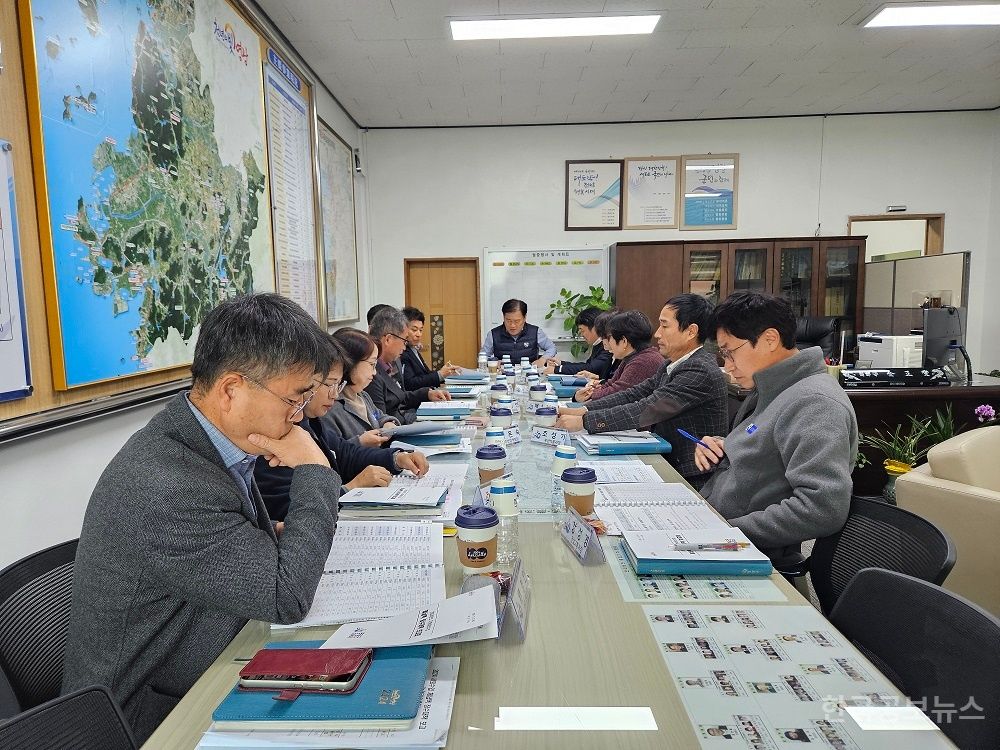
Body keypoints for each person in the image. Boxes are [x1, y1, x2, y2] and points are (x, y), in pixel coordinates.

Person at [61, 293, 342, 743]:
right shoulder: (167, 482)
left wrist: (270, 537)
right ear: (231, 389)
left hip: (206, 658)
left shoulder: (204, 439)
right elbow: (285, 597)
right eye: (293, 399)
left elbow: (225, 543)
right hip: (146, 718)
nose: (298, 416)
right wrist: (315, 470)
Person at [694, 291, 858, 568]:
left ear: (770, 339)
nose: (728, 366)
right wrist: (724, 446)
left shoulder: (814, 403)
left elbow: (822, 508)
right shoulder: (773, 388)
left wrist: (724, 533)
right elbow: (766, 448)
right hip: (715, 531)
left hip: (748, 553)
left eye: (730, 352)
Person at [555, 295, 728, 489]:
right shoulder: (672, 363)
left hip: (692, 477)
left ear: (690, 331)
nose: (657, 334)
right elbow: (634, 393)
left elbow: (647, 408)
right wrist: (583, 410)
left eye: (665, 326)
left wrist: (584, 422)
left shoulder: (699, 370)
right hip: (666, 458)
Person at [255, 340, 428, 521]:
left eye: (338, 385)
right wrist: (350, 488)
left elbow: (346, 453)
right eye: (329, 384)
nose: (335, 394)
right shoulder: (272, 433)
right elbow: (284, 507)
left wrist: (397, 458)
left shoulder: (308, 421)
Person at [367, 308, 450, 423]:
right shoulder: (371, 373)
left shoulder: (388, 364)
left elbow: (398, 397)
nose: (404, 347)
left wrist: (427, 393)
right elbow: (382, 421)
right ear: (388, 339)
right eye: (404, 341)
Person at [324, 328, 399, 445]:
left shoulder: (362, 395)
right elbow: (333, 452)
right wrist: (360, 443)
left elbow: (379, 416)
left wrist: (388, 423)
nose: (374, 372)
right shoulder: (329, 406)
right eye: (372, 364)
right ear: (351, 363)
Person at [571, 310, 662, 403]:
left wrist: (588, 396)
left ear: (624, 341)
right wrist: (589, 393)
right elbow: (611, 384)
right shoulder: (632, 357)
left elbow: (617, 393)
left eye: (610, 338)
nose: (606, 342)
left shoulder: (643, 361)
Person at [541, 306, 613, 379]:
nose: (581, 335)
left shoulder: (608, 345)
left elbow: (591, 368)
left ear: (594, 328)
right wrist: (561, 364)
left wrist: (558, 369)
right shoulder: (598, 344)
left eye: (582, 330)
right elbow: (588, 365)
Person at [399, 306, 461, 389]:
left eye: (420, 330)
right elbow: (410, 383)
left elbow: (425, 375)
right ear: (403, 329)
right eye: (414, 330)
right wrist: (439, 375)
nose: (418, 334)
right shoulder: (401, 352)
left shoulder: (413, 348)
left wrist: (445, 373)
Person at [481, 298, 556, 365]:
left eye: (517, 321)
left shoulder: (535, 332)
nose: (512, 325)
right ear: (503, 317)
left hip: (529, 375)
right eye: (508, 320)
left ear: (525, 317)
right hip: (502, 375)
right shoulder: (493, 334)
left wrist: (543, 359)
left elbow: (552, 348)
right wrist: (493, 362)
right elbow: (483, 357)